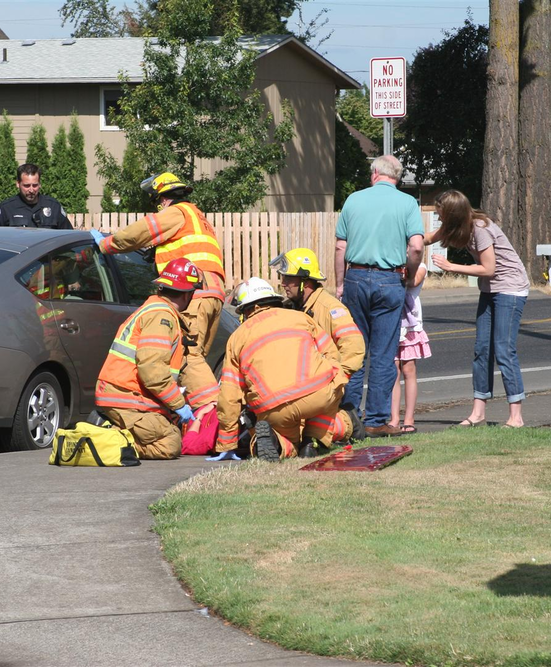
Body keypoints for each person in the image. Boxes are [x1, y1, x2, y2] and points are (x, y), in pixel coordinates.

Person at [92, 172, 225, 411]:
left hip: (193, 294)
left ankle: (216, 418)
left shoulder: (175, 212)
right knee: (194, 360)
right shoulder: (197, 217)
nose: (159, 207)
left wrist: (106, 244)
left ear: (163, 198)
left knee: (190, 360)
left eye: (158, 202)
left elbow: (139, 232)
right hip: (212, 293)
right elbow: (185, 249)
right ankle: (202, 424)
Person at [214, 278, 362, 461]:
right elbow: (332, 355)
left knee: (288, 439)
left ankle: (278, 443)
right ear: (274, 300)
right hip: (317, 394)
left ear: (246, 310)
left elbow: (229, 395)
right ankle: (316, 439)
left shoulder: (236, 338)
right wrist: (335, 379)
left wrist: (227, 444)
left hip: (273, 407)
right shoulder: (301, 318)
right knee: (331, 388)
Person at [334, 154, 425, 438]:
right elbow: (417, 247)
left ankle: (349, 418)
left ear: (374, 173)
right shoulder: (408, 203)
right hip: (390, 279)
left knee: (354, 350)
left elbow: (340, 247)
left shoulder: (353, 199)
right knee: (384, 354)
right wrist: (408, 274)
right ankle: (375, 421)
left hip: (356, 277)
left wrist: (340, 284)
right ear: (396, 178)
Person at [428, 190, 529, 428]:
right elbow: (425, 239)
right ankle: (478, 413)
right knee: (481, 349)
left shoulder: (481, 228)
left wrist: (451, 266)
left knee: (504, 350)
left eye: (441, 215)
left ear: (453, 215)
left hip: (510, 288)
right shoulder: (457, 226)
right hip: (489, 290)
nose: (439, 219)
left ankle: (516, 417)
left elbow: (489, 269)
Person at [94, 258, 201, 459]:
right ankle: (107, 435)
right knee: (170, 442)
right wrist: (178, 405)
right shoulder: (162, 316)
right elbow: (153, 370)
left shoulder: (154, 309)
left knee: (166, 429)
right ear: (188, 293)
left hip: (125, 396)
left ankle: (113, 431)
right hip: (125, 399)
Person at [270, 247, 366, 382]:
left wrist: (336, 380)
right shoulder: (291, 307)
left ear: (305, 281)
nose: (283, 283)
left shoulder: (330, 308)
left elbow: (354, 348)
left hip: (326, 389)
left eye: (288, 278)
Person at [389, 262, 431, 434]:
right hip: (391, 321)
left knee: (409, 370)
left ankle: (409, 418)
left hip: (410, 325)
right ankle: (393, 419)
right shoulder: (390, 263)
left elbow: (413, 281)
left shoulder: (420, 266)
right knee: (393, 372)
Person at [0, 163, 73, 229]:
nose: (31, 190)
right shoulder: (6, 209)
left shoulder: (53, 206)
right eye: (26, 186)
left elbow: (68, 237)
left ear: (39, 184)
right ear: (18, 184)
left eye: (34, 185)